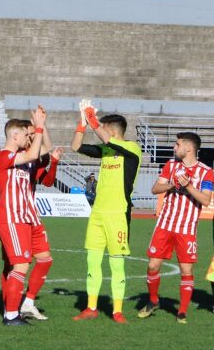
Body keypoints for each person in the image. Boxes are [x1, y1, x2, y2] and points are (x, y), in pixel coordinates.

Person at [70, 100, 141, 324]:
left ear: (112, 130)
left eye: (103, 127)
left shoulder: (132, 149)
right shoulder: (106, 150)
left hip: (118, 214)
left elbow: (105, 138)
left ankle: (117, 311)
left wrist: (92, 117)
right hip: (98, 214)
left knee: (116, 264)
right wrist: (82, 122)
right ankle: (91, 307)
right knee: (92, 262)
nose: (100, 130)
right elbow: (76, 147)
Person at [138, 132, 212, 323]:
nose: (174, 147)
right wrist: (172, 184)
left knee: (186, 270)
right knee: (152, 265)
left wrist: (188, 186)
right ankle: (153, 300)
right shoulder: (171, 165)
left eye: (177, 144)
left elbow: (205, 200)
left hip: (186, 229)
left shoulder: (206, 172)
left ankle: (182, 312)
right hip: (165, 225)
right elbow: (155, 189)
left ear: (188, 148)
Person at [0, 108, 47, 326]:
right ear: (15, 136)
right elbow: (33, 154)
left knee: (36, 260)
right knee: (21, 266)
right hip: (12, 218)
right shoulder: (3, 156)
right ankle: (11, 315)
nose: (28, 138)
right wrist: (39, 127)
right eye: (25, 135)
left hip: (26, 217)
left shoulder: (22, 159)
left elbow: (44, 150)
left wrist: (42, 125)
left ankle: (16, 308)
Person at [17, 118, 61, 321]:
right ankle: (10, 307)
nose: (33, 137)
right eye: (29, 134)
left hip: (32, 216)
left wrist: (54, 162)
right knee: (14, 265)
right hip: (15, 217)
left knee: (45, 259)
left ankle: (27, 303)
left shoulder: (35, 159)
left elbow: (48, 181)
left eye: (34, 134)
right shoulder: (13, 156)